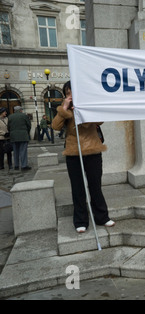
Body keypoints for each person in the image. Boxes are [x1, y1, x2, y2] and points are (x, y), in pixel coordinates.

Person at [52, 81, 115, 233]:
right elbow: (55, 126)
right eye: (68, 93)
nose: (70, 95)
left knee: (95, 186)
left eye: (73, 92)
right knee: (77, 187)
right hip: (73, 152)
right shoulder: (64, 109)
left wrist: (83, 110)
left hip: (92, 150)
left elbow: (99, 120)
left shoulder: (88, 104)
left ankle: (102, 217)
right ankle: (80, 220)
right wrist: (65, 109)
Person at [8, 106, 31, 171]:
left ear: (14, 110)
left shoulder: (10, 117)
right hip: (23, 135)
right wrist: (27, 132)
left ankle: (16, 165)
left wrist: (11, 133)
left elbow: (8, 127)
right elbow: (29, 125)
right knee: (23, 151)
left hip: (13, 136)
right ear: (20, 110)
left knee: (15, 151)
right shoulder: (24, 116)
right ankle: (24, 165)